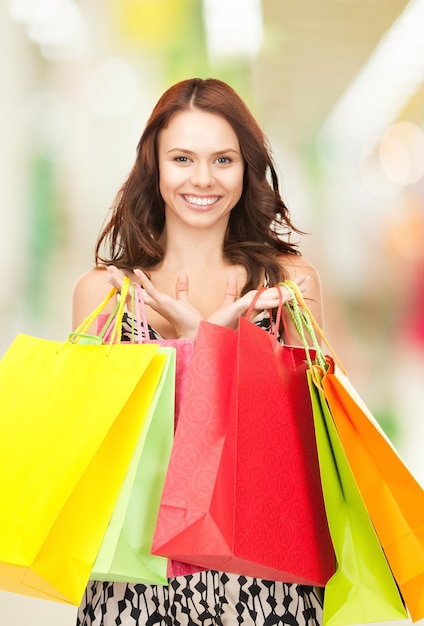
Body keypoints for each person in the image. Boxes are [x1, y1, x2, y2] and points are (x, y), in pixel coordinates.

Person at [73, 77, 324, 626]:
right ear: (154, 167)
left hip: (263, 575)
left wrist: (215, 354)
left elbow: (313, 455)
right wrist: (192, 354)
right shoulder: (107, 296)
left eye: (223, 159)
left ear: (246, 169)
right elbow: (94, 462)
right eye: (183, 158)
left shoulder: (288, 287)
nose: (203, 179)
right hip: (137, 578)